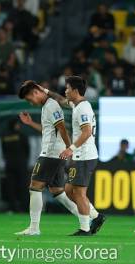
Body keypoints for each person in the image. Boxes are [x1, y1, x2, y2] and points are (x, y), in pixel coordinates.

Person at [15, 80, 89, 235]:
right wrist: (30, 123)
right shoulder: (47, 106)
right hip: (55, 152)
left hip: (51, 153)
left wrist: (70, 149)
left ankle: (34, 228)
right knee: (58, 192)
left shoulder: (51, 105)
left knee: (35, 186)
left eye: (30, 99)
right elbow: (49, 130)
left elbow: (62, 129)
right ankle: (89, 218)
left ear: (36, 92)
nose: (30, 103)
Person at [38, 76, 106, 236]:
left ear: (75, 91)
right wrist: (45, 91)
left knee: (79, 194)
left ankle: (85, 228)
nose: (65, 91)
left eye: (68, 88)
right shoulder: (78, 105)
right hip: (81, 156)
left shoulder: (82, 109)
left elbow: (87, 131)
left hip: (84, 155)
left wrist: (71, 148)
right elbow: (61, 99)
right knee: (69, 191)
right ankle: (96, 216)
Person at [1, 118, 30, 212]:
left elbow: (3, 150)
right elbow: (27, 150)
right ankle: (23, 207)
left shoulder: (4, 136)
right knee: (22, 186)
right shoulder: (22, 136)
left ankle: (12, 207)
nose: (19, 126)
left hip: (9, 164)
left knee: (11, 187)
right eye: (17, 124)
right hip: (20, 164)